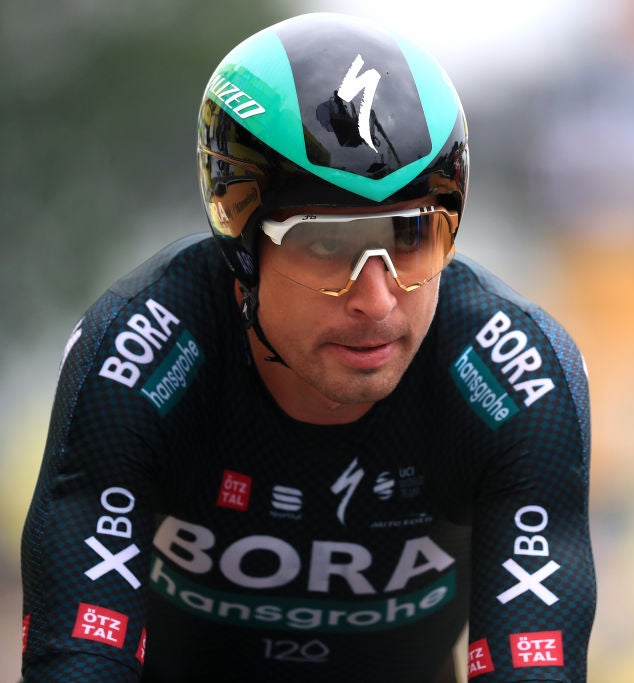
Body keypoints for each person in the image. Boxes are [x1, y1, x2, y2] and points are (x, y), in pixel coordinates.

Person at [20, 12, 595, 683]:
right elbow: (78, 660)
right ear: (241, 243)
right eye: (328, 244)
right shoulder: (137, 356)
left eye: (413, 235)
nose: (377, 300)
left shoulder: (519, 380)